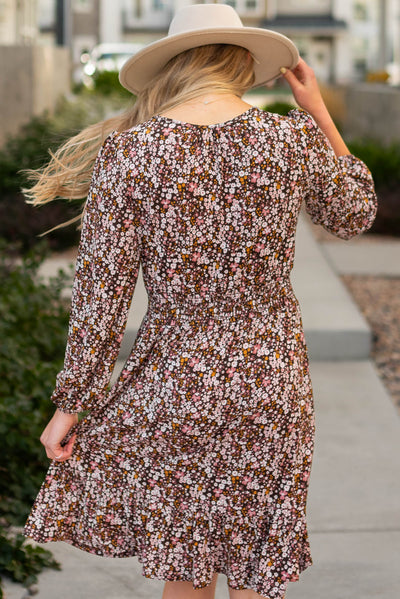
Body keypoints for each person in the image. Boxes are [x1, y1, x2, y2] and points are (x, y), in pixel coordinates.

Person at [23, 4, 377, 599]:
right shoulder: (288, 139)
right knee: (253, 568)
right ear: (241, 61)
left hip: (176, 384)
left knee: (187, 568)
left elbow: (100, 300)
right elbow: (354, 213)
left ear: (173, 64)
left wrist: (72, 404)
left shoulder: (131, 152)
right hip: (272, 383)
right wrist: (316, 112)